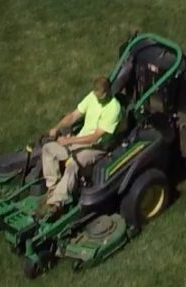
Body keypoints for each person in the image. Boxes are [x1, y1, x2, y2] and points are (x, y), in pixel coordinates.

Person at [37, 75, 123, 215]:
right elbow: (73, 116)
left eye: (99, 96)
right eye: (95, 94)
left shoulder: (114, 108)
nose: (96, 98)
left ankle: (56, 203)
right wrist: (57, 128)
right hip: (79, 140)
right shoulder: (92, 97)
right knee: (48, 149)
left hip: (97, 148)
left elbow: (94, 138)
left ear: (107, 93)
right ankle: (52, 189)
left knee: (74, 163)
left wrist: (69, 141)